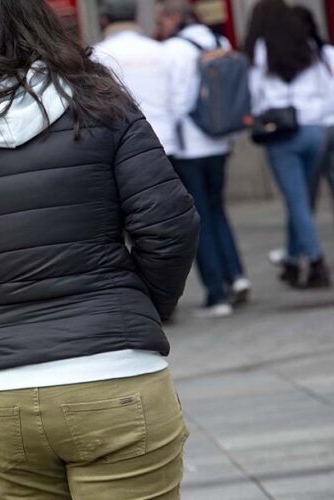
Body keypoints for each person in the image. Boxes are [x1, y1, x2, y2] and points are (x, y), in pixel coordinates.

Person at [0, 0, 198, 498]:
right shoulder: (103, 108)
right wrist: (136, 308)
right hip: (115, 376)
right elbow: (168, 226)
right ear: (43, 30)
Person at [157, 0, 250, 317]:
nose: (160, 26)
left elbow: (175, 100)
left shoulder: (172, 50)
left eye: (161, 18)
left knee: (199, 218)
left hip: (190, 146)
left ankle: (217, 293)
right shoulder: (220, 41)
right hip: (220, 141)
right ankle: (236, 276)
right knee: (218, 209)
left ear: (173, 17)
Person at [246, 0, 332, 289]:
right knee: (303, 200)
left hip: (283, 132)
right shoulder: (308, 46)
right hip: (315, 129)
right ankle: (295, 261)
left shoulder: (262, 49)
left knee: (297, 202)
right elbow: (323, 88)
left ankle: (317, 261)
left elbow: (255, 91)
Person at [93, 0, 179, 157]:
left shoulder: (97, 55)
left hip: (125, 147)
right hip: (166, 138)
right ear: (136, 17)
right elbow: (179, 98)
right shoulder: (161, 50)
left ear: (103, 19)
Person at [292, 6, 334, 220]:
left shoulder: (297, 54)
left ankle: (304, 244)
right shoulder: (326, 52)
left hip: (314, 126)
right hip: (327, 123)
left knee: (305, 191)